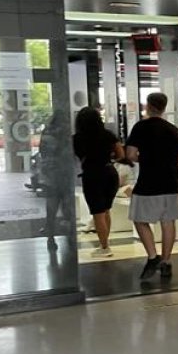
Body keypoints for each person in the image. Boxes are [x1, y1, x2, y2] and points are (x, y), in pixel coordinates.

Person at [125, 93, 178, 280]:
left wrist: (144, 158)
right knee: (168, 223)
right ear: (164, 107)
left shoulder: (140, 127)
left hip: (147, 182)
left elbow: (130, 154)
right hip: (171, 183)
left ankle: (152, 256)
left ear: (148, 106)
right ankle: (166, 262)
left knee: (139, 219)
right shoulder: (175, 130)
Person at [72, 107, 123, 258]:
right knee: (106, 210)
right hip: (110, 173)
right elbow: (121, 154)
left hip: (92, 175)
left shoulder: (77, 138)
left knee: (97, 212)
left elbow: (76, 156)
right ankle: (105, 243)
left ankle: (104, 246)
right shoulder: (108, 135)